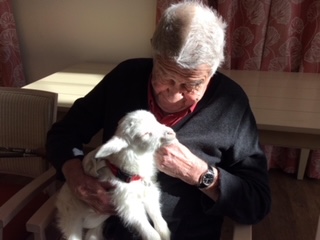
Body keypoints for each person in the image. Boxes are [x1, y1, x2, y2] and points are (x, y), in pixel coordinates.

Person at [46, 1, 271, 239]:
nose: (173, 95)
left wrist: (197, 173)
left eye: (190, 84)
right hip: (108, 230)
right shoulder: (125, 78)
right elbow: (64, 134)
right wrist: (76, 176)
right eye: (165, 75)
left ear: (212, 72)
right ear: (154, 53)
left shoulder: (230, 105)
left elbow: (256, 204)